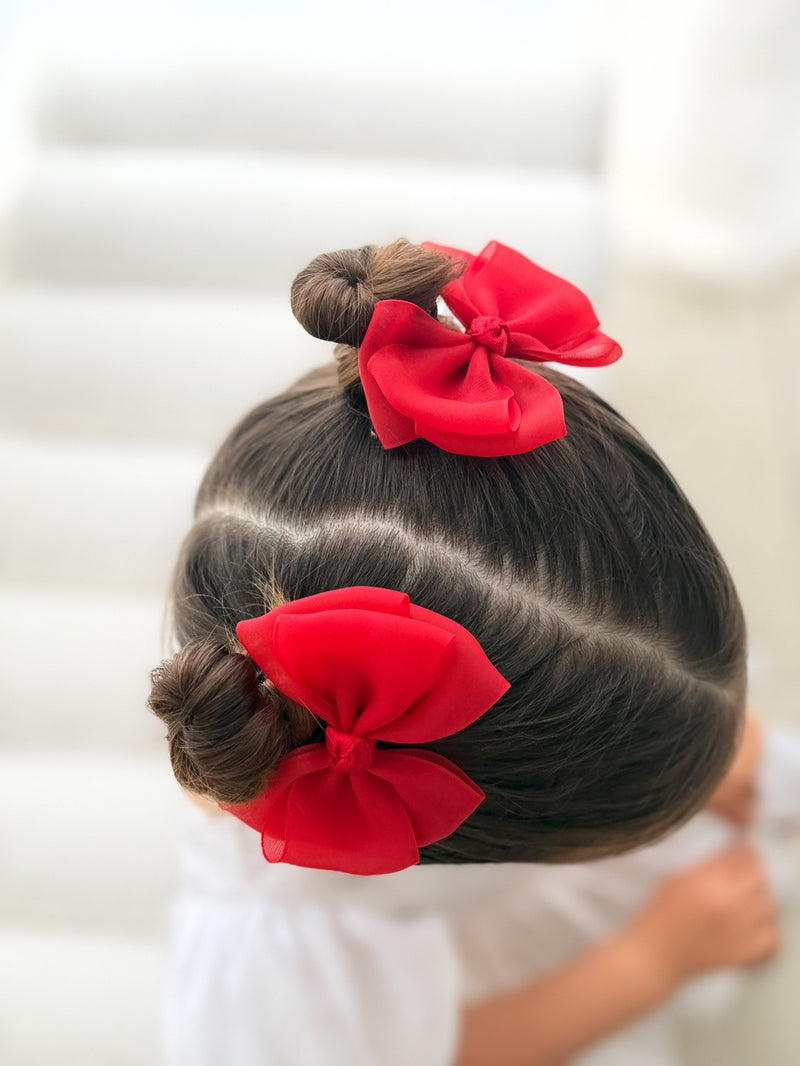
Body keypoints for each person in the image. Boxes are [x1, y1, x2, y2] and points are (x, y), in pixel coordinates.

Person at [149, 239, 783, 1066]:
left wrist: (694, 744)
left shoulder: (263, 557)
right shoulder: (275, 978)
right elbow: (443, 1047)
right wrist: (647, 961)